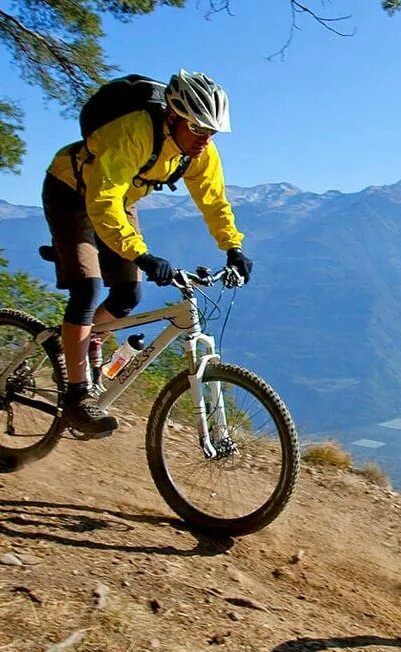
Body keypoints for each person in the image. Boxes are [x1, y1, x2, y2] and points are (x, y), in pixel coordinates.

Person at [42, 70, 254, 437]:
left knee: (127, 294)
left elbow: (214, 202)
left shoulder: (199, 152)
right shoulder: (132, 133)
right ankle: (76, 399)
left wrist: (233, 247)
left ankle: (86, 341)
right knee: (88, 289)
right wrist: (142, 255)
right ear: (172, 116)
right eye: (198, 128)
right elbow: (102, 202)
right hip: (72, 194)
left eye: (212, 132)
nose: (205, 139)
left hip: (120, 198)